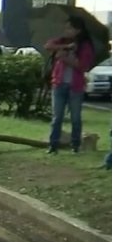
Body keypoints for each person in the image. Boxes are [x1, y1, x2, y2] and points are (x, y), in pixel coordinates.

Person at [44, 16, 95, 154]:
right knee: (57, 117)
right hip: (59, 83)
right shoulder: (62, 41)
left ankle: (75, 145)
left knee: (75, 118)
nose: (66, 30)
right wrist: (66, 47)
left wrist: (66, 59)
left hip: (75, 86)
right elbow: (48, 45)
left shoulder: (85, 45)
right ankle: (53, 145)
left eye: (69, 28)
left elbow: (82, 66)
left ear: (77, 30)